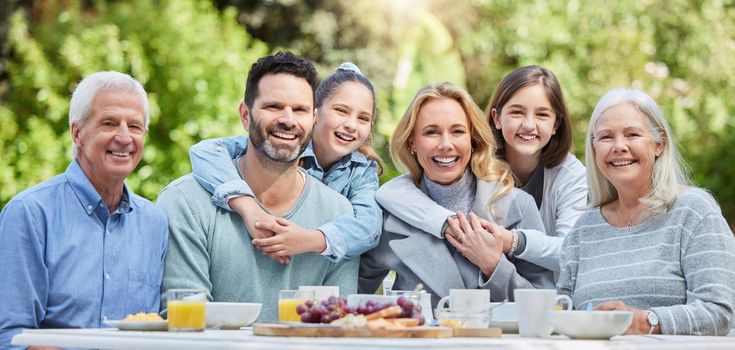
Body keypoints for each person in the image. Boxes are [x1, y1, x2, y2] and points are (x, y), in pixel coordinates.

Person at [158, 52, 357, 322]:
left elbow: (338, 328)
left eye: (299, 110)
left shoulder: (338, 213)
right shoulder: (185, 201)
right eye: (273, 106)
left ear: (313, 119)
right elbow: (187, 322)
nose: (288, 119)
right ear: (245, 115)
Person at [0, 71, 168, 349]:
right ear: (77, 133)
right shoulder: (29, 214)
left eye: (135, 126)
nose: (125, 137)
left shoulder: (154, 223)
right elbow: (11, 336)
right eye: (109, 123)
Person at [557, 88, 735, 335]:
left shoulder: (694, 212)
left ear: (659, 144)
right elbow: (562, 311)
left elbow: (720, 312)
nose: (619, 146)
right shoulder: (584, 229)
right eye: (606, 137)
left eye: (632, 134)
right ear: (594, 148)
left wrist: (645, 321)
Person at [375, 66, 586, 273]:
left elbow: (573, 255)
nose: (529, 124)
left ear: (556, 124)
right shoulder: (470, 158)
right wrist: (448, 223)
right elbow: (394, 192)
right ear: (496, 118)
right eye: (517, 112)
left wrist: (512, 241)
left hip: (557, 293)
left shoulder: (570, 175)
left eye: (542, 115)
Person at [359, 82, 554, 306]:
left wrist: (493, 265)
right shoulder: (389, 217)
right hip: (420, 339)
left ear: (472, 140)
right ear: (412, 142)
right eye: (431, 132)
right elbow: (350, 295)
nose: (446, 144)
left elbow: (545, 306)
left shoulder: (518, 206)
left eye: (457, 131)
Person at [187, 62, 383, 263]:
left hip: (316, 269)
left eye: (363, 118)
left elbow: (369, 227)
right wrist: (248, 207)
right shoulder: (285, 144)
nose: (351, 125)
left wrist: (312, 239)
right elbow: (205, 151)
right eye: (341, 111)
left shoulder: (361, 170)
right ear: (315, 113)